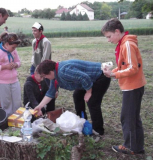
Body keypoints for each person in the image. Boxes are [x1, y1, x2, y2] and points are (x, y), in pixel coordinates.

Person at [101, 18, 146, 155]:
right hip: (132, 85)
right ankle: (137, 147)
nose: (108, 40)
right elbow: (124, 66)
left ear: (117, 31)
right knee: (133, 117)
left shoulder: (127, 45)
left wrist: (114, 75)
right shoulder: (124, 44)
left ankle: (130, 147)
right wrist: (112, 71)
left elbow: (133, 69)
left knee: (127, 117)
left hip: (132, 86)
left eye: (109, 36)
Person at [34, 59, 111, 136]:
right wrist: (40, 106)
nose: (45, 78)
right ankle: (81, 122)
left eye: (45, 76)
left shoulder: (63, 71)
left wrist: (88, 92)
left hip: (99, 76)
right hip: (88, 80)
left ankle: (98, 131)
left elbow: (84, 78)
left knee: (92, 102)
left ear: (50, 72)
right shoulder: (55, 75)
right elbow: (50, 93)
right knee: (77, 96)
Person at [0, 32, 21, 117]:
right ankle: (8, 119)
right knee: (6, 103)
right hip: (2, 81)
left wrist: (16, 65)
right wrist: (5, 67)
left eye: (15, 47)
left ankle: (17, 119)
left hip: (14, 79)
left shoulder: (14, 51)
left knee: (17, 101)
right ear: (6, 44)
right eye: (13, 47)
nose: (14, 49)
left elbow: (18, 61)